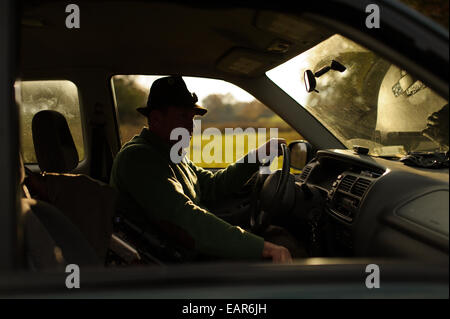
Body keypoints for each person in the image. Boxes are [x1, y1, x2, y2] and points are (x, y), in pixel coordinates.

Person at [110, 75, 293, 263]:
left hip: (189, 252)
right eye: (183, 116)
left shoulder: (172, 154)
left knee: (279, 236)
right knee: (282, 247)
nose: (191, 126)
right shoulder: (138, 158)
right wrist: (262, 248)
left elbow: (213, 185)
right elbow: (185, 219)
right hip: (171, 266)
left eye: (192, 118)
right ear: (156, 119)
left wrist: (256, 156)